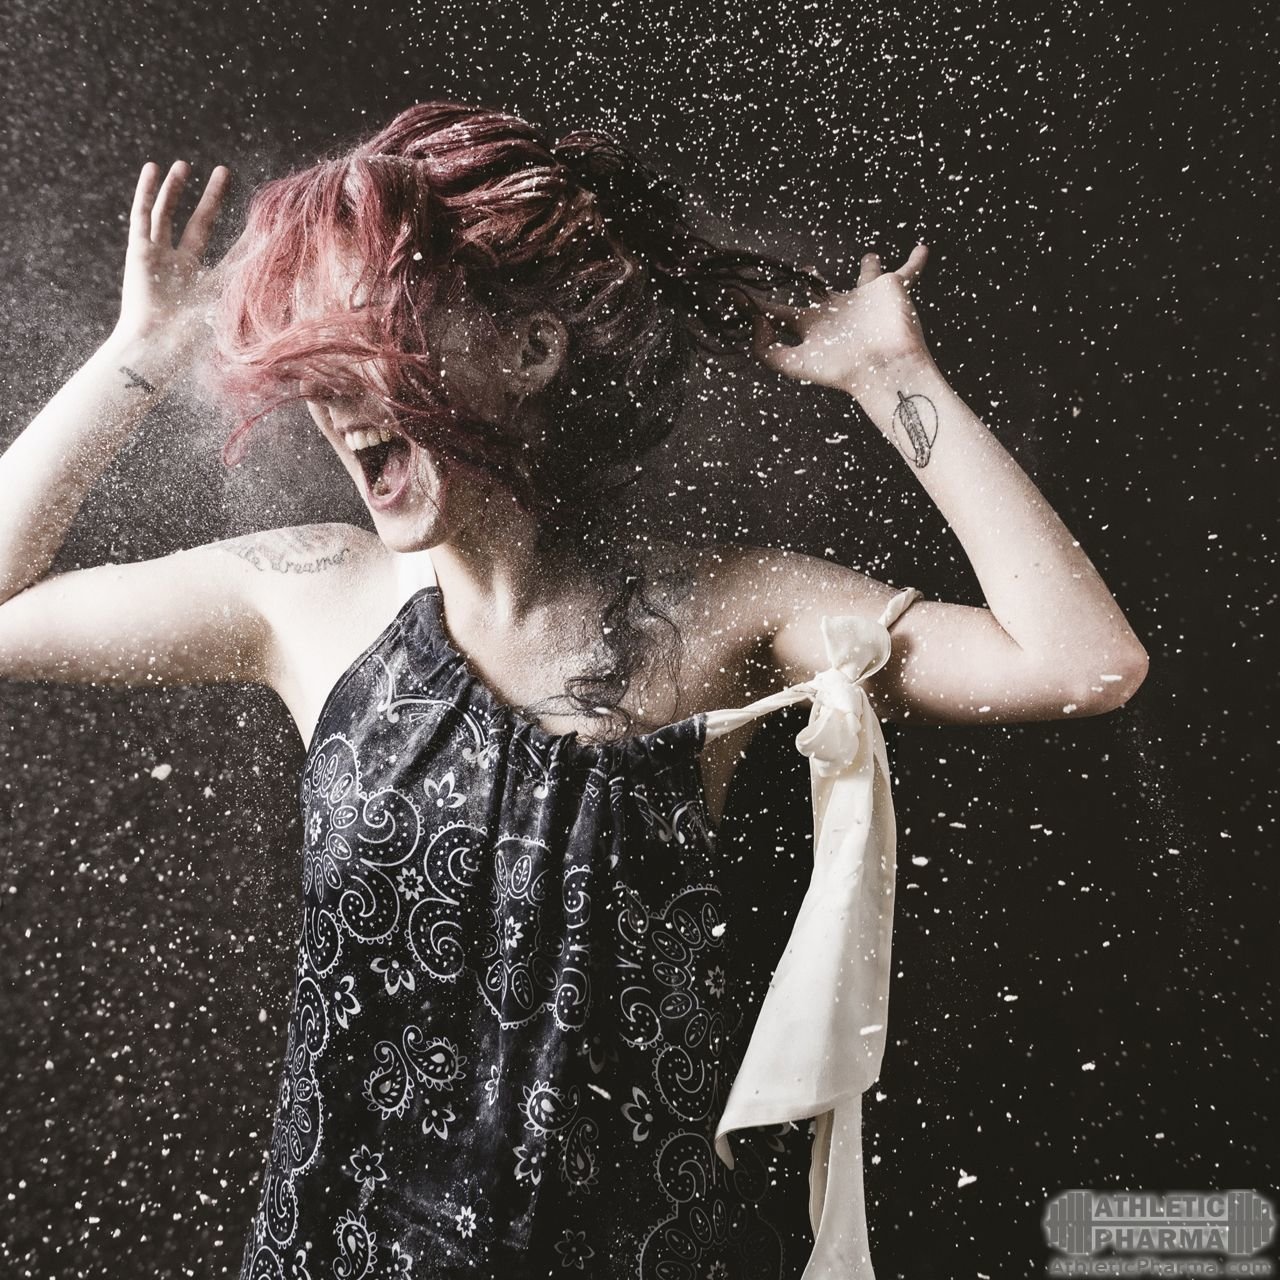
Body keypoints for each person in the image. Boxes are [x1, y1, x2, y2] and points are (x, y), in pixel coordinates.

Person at [0, 101, 1148, 1279]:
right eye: (315, 356)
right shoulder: (309, 599)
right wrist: (142, 353)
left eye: (372, 338)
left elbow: (1080, 662)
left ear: (530, 351)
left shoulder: (725, 611)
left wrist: (890, 376)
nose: (333, 397)